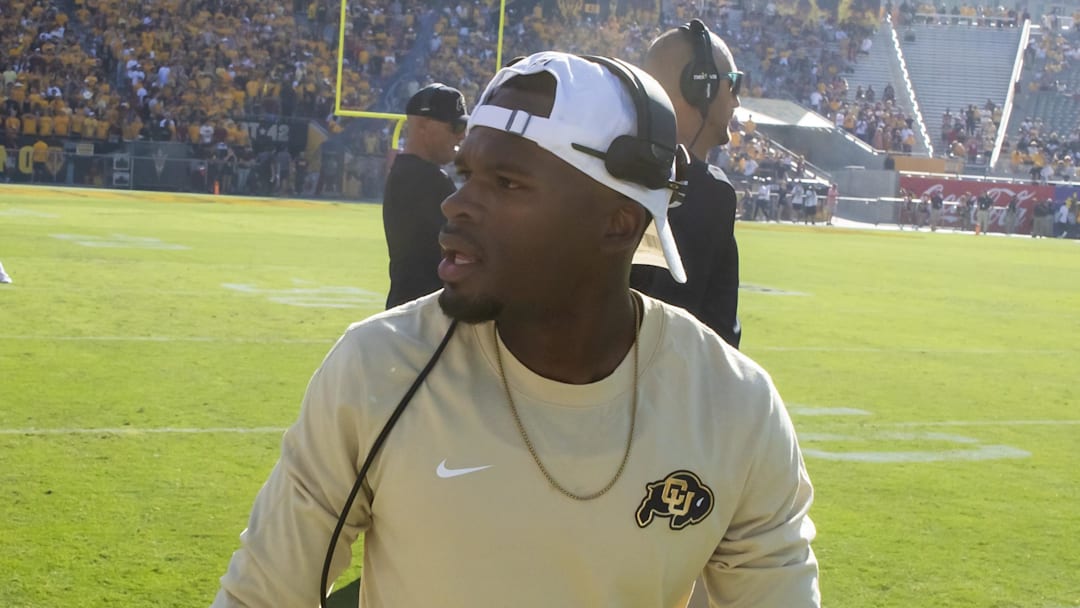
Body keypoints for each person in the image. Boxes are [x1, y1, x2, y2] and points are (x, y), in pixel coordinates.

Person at [211, 51, 818, 608]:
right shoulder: (379, 369)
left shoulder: (734, 406)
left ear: (618, 222)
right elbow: (263, 595)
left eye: (506, 183)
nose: (456, 205)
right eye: (464, 174)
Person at [631, 19, 743, 348]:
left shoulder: (606, 170)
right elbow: (717, 345)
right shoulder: (710, 194)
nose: (737, 101)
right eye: (733, 84)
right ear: (701, 86)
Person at [381, 83, 469, 308]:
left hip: (410, 309)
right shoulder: (427, 179)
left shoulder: (408, 172)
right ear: (422, 124)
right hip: (424, 316)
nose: (461, 135)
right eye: (455, 126)